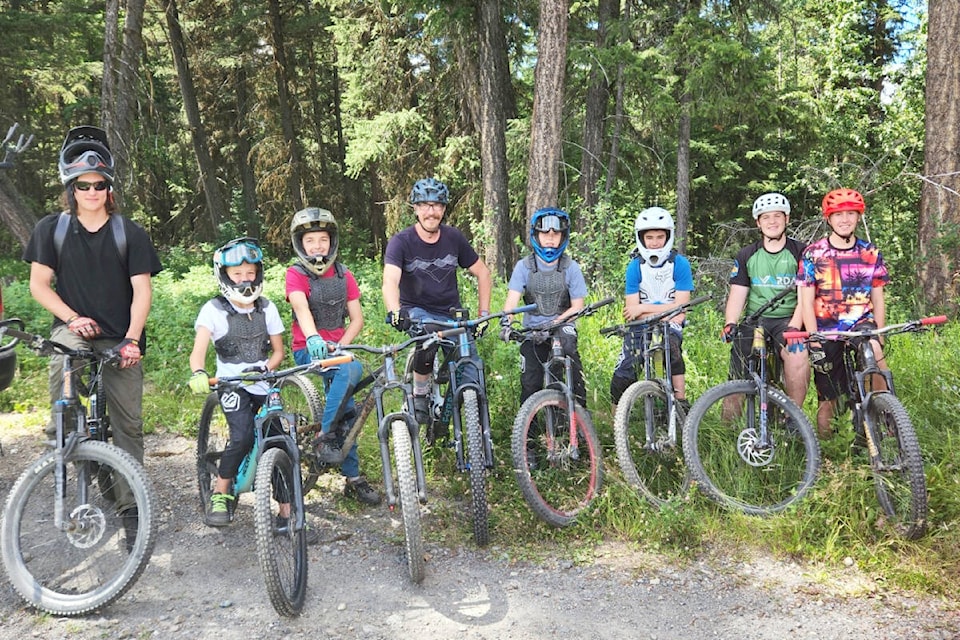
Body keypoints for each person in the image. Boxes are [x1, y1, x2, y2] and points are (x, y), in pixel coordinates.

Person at [22, 125, 162, 546]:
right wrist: (72, 316)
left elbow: (142, 290)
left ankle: (130, 509)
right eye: (83, 185)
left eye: (99, 185)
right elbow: (39, 285)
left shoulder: (129, 233)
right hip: (75, 328)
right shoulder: (52, 230)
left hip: (120, 336)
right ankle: (62, 432)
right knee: (64, 356)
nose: (92, 192)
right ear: (71, 188)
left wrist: (132, 339)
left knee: (127, 427)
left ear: (109, 188)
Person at [286, 207, 381, 506]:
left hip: (338, 353)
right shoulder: (296, 273)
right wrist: (314, 337)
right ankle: (325, 437)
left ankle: (352, 477)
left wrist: (341, 345)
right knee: (350, 376)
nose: (317, 246)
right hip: (307, 349)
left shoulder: (344, 275)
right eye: (311, 240)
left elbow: (357, 320)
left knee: (348, 406)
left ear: (332, 241)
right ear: (301, 243)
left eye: (323, 239)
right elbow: (301, 308)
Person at [188, 238, 285, 526]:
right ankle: (221, 490)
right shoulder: (213, 310)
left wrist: (266, 367)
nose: (245, 279)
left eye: (250, 273)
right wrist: (198, 373)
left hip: (263, 383)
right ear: (225, 276)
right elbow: (198, 353)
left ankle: (287, 510)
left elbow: (278, 351)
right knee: (241, 436)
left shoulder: (267, 308)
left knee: (279, 438)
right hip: (231, 385)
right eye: (237, 274)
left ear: (259, 273)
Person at [382, 177, 493, 423]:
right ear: (415, 208)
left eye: (436, 205)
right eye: (424, 205)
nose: (431, 211)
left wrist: (484, 314)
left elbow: (483, 273)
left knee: (471, 372)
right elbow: (390, 280)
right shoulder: (401, 242)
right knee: (428, 337)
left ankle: (463, 425)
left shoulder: (454, 238)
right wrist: (395, 310)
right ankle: (420, 392)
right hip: (418, 311)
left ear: (443, 209)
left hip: (451, 314)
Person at [798, 188, 889, 438]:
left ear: (858, 217)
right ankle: (828, 452)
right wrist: (813, 337)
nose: (845, 219)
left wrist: (879, 333)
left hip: (861, 322)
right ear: (828, 219)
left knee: (876, 355)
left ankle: (888, 417)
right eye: (838, 214)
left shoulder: (870, 253)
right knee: (828, 397)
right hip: (827, 328)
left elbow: (878, 297)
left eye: (851, 213)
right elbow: (806, 300)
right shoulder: (813, 254)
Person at [722, 193, 809, 415]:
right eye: (766, 217)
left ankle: (794, 418)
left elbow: (806, 293)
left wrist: (795, 326)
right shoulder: (747, 255)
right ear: (758, 222)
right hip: (756, 318)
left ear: (787, 219)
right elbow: (738, 293)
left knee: (797, 354)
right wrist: (731, 322)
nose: (772, 222)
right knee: (738, 368)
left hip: (789, 319)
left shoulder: (801, 252)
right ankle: (728, 430)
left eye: (777, 216)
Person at [500, 207, 589, 407]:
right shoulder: (524, 266)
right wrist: (507, 323)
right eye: (545, 233)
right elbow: (512, 302)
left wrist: (553, 324)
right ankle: (528, 435)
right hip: (532, 332)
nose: (550, 238)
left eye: (555, 233)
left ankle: (581, 427)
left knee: (570, 366)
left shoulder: (570, 267)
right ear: (536, 235)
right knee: (530, 384)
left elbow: (577, 307)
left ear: (563, 236)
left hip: (561, 327)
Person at [609, 206, 694, 410]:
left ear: (668, 237)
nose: (655, 243)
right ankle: (616, 418)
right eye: (649, 237)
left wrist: (644, 309)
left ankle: (680, 402)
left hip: (668, 324)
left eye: (659, 237)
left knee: (673, 352)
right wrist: (666, 309)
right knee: (625, 369)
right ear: (641, 238)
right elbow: (631, 311)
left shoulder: (679, 264)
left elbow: (681, 310)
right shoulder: (635, 266)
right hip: (641, 325)